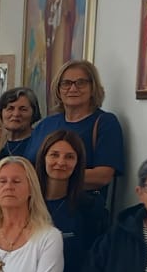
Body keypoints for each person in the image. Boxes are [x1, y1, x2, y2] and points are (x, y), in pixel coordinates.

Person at [37, 129, 109, 272]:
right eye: (54, 155)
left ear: (79, 164)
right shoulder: (25, 204)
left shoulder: (91, 209)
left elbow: (99, 266)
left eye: (69, 157)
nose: (61, 162)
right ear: (42, 158)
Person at [30, 59, 125, 205]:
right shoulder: (45, 124)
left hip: (79, 210)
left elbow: (103, 176)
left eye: (81, 83)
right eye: (66, 83)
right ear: (58, 89)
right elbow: (28, 165)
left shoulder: (105, 123)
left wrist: (52, 177)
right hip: (37, 205)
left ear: (93, 87)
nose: (73, 89)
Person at [0, 86, 42, 158]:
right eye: (10, 108)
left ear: (34, 113)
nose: (16, 114)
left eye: (23, 109)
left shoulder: (40, 143)